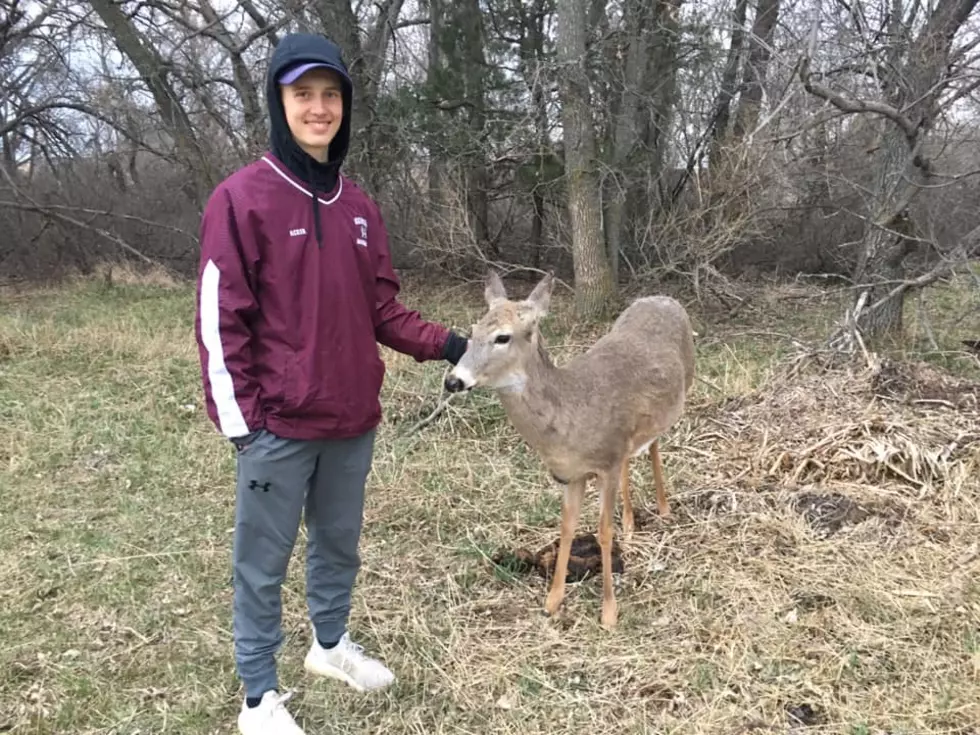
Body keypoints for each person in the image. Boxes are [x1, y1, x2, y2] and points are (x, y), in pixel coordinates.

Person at [193, 31, 469, 735]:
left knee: (338, 544)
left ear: (344, 106)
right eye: (302, 95)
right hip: (278, 427)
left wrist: (452, 345)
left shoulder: (359, 206)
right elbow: (219, 316)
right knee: (262, 561)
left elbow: (382, 310)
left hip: (352, 420)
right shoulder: (242, 199)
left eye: (330, 95)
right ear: (278, 102)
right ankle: (258, 696)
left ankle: (329, 644)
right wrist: (242, 424)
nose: (318, 109)